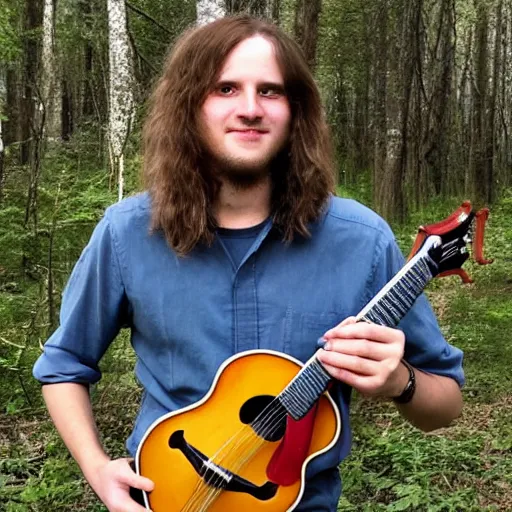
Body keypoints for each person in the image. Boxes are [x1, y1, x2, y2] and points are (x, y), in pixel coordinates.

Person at [33, 15, 464, 512]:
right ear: (190, 106)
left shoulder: (361, 242)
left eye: (271, 91)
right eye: (225, 88)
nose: (250, 109)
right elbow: (64, 366)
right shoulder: (128, 232)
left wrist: (399, 381)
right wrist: (96, 468)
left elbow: (444, 405)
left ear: (295, 111)